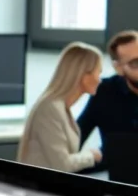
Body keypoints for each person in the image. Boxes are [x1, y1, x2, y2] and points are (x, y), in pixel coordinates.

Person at [17, 42, 103, 173]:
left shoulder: (60, 108)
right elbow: (62, 165)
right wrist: (91, 156)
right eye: (99, 72)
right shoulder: (50, 109)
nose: (100, 80)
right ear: (84, 76)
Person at [77, 30, 138, 170]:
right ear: (119, 68)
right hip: (116, 166)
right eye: (135, 63)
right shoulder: (104, 91)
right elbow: (79, 132)